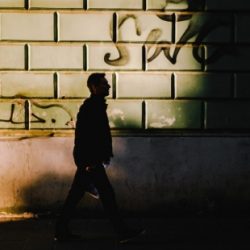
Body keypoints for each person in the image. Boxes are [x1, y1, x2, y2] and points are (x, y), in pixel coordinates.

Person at [54, 73, 145, 243]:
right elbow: (84, 137)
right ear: (94, 87)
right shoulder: (91, 108)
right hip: (91, 162)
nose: (108, 87)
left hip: (90, 161)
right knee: (107, 195)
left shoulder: (95, 106)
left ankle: (61, 229)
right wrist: (87, 162)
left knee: (75, 196)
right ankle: (122, 232)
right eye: (104, 84)